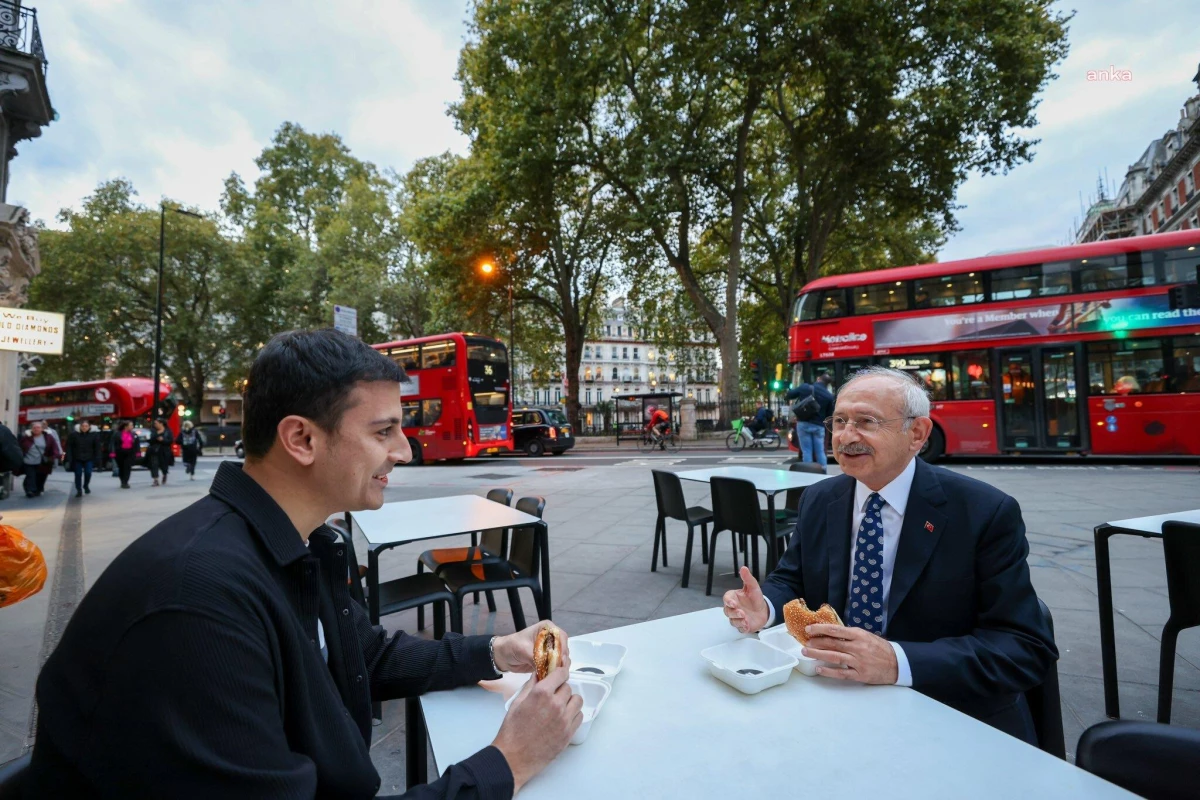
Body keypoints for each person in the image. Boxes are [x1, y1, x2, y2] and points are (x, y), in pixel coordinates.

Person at [28, 329, 583, 798]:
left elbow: (360, 654)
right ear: (301, 438)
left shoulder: (301, 542)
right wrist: (507, 763)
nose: (405, 450)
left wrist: (490, 651)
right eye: (382, 431)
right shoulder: (197, 606)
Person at [722, 366, 1056, 744]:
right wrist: (764, 606)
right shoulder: (820, 499)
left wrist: (897, 661)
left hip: (945, 717)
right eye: (839, 421)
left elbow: (1023, 647)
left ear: (917, 433)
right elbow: (792, 578)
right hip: (832, 705)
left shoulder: (983, 512)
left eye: (866, 421)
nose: (847, 437)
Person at [786, 371, 834, 468]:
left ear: (818, 379)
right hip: (819, 426)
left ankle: (808, 472)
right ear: (827, 384)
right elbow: (829, 415)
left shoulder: (805, 387)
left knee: (807, 451)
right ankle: (823, 471)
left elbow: (789, 395)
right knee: (820, 451)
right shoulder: (829, 396)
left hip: (803, 424)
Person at [19, 421, 61, 498]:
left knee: (41, 476)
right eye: (34, 428)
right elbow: (20, 447)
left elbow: (54, 447)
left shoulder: (48, 437)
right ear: (31, 429)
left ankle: (38, 489)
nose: (36, 429)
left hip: (42, 461)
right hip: (28, 461)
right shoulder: (26, 437)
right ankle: (30, 491)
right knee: (31, 476)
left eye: (38, 427)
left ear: (42, 429)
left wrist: (55, 455)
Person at [65, 420, 104, 498]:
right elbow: (69, 447)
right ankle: (79, 490)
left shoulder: (94, 435)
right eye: (83, 426)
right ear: (80, 427)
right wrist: (69, 458)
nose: (84, 428)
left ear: (89, 427)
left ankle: (86, 485)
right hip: (77, 458)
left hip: (89, 458)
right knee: (78, 474)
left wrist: (98, 459)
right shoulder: (73, 435)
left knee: (88, 473)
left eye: (86, 426)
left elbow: (97, 448)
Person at [146, 418, 174, 486]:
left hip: (164, 451)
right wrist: (156, 435)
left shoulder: (168, 431)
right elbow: (149, 440)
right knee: (154, 465)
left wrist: (163, 440)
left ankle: (164, 474)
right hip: (154, 450)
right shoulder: (153, 431)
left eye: (156, 423)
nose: (155, 425)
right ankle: (156, 480)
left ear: (161, 423)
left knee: (164, 466)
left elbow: (170, 441)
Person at [112, 421, 139, 489]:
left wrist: (137, 452)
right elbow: (112, 444)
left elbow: (137, 444)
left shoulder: (133, 434)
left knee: (127, 467)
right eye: (131, 425)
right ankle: (122, 480)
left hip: (130, 453)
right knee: (121, 467)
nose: (132, 427)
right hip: (120, 453)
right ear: (125, 426)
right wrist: (112, 452)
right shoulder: (117, 434)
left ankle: (125, 482)